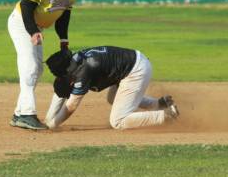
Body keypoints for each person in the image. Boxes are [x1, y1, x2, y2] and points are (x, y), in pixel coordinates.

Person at [7, 0, 97, 130]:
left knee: (37, 69)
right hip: (22, 23)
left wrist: (63, 40)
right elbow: (26, 4)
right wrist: (32, 30)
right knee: (30, 67)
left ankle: (19, 113)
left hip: (37, 28)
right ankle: (26, 114)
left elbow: (64, 15)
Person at [43, 46, 180, 130]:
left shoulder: (83, 72)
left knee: (118, 121)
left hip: (135, 71)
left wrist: (53, 124)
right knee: (113, 98)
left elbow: (71, 105)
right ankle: (159, 104)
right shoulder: (76, 60)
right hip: (133, 62)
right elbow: (62, 93)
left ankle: (167, 115)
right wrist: (48, 120)